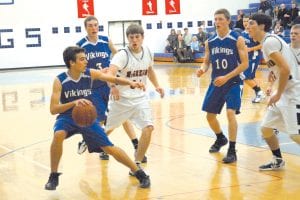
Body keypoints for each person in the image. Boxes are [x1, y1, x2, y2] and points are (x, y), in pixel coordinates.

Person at [44, 46, 150, 190]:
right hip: (68, 116)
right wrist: (74, 102)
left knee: (109, 148)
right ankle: (54, 175)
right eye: (82, 59)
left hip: (88, 117)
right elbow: (53, 109)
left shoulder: (90, 73)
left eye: (85, 58)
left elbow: (112, 78)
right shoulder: (60, 80)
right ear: (72, 63)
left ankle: (139, 173)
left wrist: (130, 82)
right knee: (58, 135)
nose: (86, 62)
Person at [76, 16, 146, 162]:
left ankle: (136, 145)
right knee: (102, 119)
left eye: (96, 25)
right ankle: (93, 141)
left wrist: (118, 66)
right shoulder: (80, 45)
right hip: (93, 87)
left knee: (122, 114)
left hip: (109, 83)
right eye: (90, 26)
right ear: (86, 28)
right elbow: (78, 67)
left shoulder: (105, 40)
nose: (94, 28)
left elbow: (117, 54)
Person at [106, 24, 164, 172]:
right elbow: (109, 73)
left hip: (140, 98)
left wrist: (157, 85)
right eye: (131, 37)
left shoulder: (148, 52)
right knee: (106, 131)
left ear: (142, 37)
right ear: (127, 39)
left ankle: (136, 164)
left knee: (149, 128)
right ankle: (90, 138)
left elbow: (149, 70)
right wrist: (112, 87)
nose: (134, 40)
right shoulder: (122, 55)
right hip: (121, 100)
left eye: (137, 37)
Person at [247, 13, 300, 171]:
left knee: (295, 135)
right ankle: (278, 159)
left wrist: (277, 94)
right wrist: (274, 73)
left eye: (251, 23)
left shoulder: (269, 42)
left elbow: (285, 69)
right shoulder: (269, 41)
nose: (248, 26)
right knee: (266, 129)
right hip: (284, 92)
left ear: (262, 26)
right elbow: (282, 66)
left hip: (293, 94)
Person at [196, 8, 248, 163]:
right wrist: (202, 70)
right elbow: (206, 62)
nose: (217, 22)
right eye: (215, 19)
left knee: (230, 113)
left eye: (220, 19)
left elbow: (244, 64)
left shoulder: (237, 39)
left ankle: (232, 150)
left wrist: (226, 77)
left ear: (228, 21)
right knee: (210, 116)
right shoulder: (210, 41)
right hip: (217, 82)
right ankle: (220, 138)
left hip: (233, 81)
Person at [241, 16, 266, 103]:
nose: (245, 23)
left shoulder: (255, 33)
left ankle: (259, 92)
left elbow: (262, 44)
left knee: (245, 76)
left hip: (254, 57)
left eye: (247, 21)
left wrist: (251, 49)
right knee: (249, 77)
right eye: (244, 21)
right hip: (246, 58)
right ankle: (260, 93)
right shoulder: (243, 33)